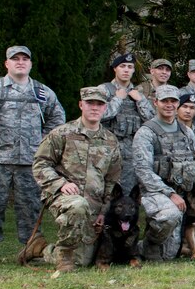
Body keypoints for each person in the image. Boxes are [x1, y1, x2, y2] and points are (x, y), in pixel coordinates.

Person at [0, 45, 65, 265]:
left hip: (30, 161)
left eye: (24, 59)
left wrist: (43, 142)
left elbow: (57, 118)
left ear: (30, 64)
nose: (20, 62)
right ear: (7, 64)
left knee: (29, 207)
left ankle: (30, 249)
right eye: (15, 59)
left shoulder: (42, 92)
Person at [19, 87, 122, 272]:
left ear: (105, 108)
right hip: (63, 198)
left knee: (83, 261)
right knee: (77, 204)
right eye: (90, 103)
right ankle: (64, 255)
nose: (95, 108)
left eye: (99, 104)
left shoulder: (110, 141)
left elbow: (111, 181)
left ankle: (41, 248)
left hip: (93, 205)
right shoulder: (62, 134)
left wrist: (103, 212)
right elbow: (40, 164)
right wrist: (61, 184)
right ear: (81, 104)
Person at [132, 85, 195, 261]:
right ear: (156, 102)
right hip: (155, 192)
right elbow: (143, 170)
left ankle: (147, 246)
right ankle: (148, 244)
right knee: (170, 215)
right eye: (165, 101)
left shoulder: (186, 132)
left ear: (178, 104)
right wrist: (170, 193)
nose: (169, 105)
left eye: (173, 101)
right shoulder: (147, 133)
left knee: (169, 256)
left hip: (182, 194)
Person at [99, 52, 156, 191]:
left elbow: (152, 121)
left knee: (126, 190)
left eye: (130, 67)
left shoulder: (138, 93)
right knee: (103, 187)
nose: (126, 70)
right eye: (122, 66)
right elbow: (99, 115)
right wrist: (117, 99)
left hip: (131, 149)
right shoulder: (104, 90)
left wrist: (141, 101)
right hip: (108, 146)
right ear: (115, 69)